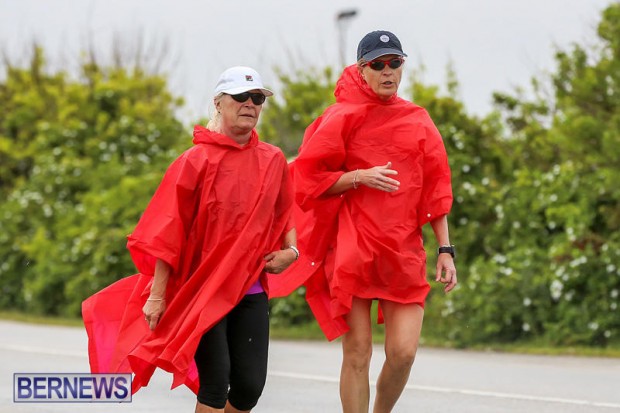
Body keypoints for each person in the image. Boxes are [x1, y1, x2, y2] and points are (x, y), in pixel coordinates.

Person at [82, 66, 298, 413]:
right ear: (219, 103)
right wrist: (157, 296)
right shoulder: (194, 161)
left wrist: (292, 251)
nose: (250, 104)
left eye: (257, 98)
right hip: (200, 290)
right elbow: (167, 234)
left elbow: (285, 212)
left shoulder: (273, 160)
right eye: (240, 96)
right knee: (215, 383)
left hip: (249, 287)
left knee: (248, 388)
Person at [289, 30, 457, 412]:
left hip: (402, 250)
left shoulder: (418, 119)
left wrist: (445, 249)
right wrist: (357, 177)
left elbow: (436, 189)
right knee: (358, 352)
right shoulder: (340, 116)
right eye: (378, 64)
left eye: (395, 62)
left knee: (403, 353)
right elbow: (309, 180)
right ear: (362, 69)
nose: (388, 71)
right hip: (354, 249)